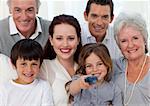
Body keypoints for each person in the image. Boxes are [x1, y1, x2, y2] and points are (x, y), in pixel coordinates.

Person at [39, 14, 82, 106]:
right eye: (59, 38)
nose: (65, 44)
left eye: (71, 38)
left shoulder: (88, 66)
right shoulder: (44, 67)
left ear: (78, 40)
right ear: (51, 40)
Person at [0, 39, 54, 106]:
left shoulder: (44, 86)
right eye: (23, 64)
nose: (29, 70)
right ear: (13, 64)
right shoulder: (4, 89)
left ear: (40, 65)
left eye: (34, 64)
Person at [113, 12, 150, 106]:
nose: (130, 45)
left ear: (144, 40)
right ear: (119, 45)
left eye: (135, 38)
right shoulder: (113, 67)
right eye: (124, 41)